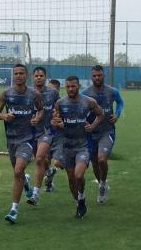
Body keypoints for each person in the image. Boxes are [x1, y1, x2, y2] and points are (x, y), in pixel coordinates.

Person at [0, 63, 43, 224]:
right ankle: (25, 182)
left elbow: (40, 109)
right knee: (18, 173)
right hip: (11, 139)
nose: (19, 76)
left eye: (22, 73)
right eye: (16, 73)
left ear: (26, 75)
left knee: (18, 170)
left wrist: (37, 117)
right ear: (13, 75)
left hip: (27, 139)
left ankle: (14, 209)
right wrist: (4, 117)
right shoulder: (6, 94)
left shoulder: (34, 94)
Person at [51, 76, 104, 219]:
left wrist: (92, 126)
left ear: (78, 86)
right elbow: (54, 122)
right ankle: (80, 202)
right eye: (68, 87)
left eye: (73, 86)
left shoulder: (89, 102)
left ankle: (81, 197)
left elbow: (101, 114)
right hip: (67, 146)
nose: (70, 89)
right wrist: (57, 124)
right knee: (71, 178)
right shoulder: (60, 103)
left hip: (82, 145)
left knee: (78, 175)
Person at [82, 65, 123, 204]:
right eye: (94, 76)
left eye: (99, 75)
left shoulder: (112, 91)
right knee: (94, 161)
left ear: (103, 75)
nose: (97, 78)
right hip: (91, 133)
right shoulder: (85, 93)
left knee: (101, 159)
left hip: (107, 131)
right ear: (91, 77)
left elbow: (120, 102)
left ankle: (103, 183)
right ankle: (101, 185)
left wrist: (117, 114)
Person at [27, 67, 60, 205]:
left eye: (41, 75)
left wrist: (56, 117)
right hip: (31, 131)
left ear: (45, 77)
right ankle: (50, 171)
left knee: (39, 158)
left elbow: (59, 107)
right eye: (36, 75)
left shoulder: (53, 92)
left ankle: (35, 193)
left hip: (48, 131)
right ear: (32, 77)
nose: (39, 77)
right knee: (41, 160)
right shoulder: (27, 93)